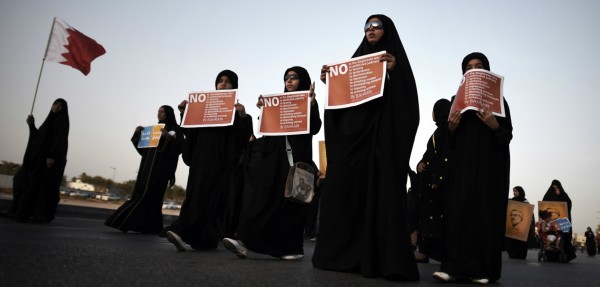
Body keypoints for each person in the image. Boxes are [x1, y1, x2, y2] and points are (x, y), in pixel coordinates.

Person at [312, 15, 420, 280]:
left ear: (387, 31)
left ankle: (381, 259)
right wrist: (333, 84)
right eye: (367, 27)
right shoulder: (356, 62)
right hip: (355, 146)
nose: (371, 30)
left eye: (377, 26)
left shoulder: (398, 64)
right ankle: (344, 256)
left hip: (381, 146)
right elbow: (346, 108)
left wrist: (395, 74)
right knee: (346, 192)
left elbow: (408, 110)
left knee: (382, 194)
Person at [222, 66, 321, 260]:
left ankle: (289, 248)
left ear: (304, 80)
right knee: (261, 199)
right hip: (272, 161)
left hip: (293, 161)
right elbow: (267, 131)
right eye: (286, 78)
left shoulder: (309, 103)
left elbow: (315, 128)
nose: (289, 81)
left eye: (294, 77)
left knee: (289, 204)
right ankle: (245, 241)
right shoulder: (278, 104)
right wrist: (264, 110)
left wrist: (311, 104)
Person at [432, 52, 512, 285]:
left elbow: (506, 137)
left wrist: (494, 125)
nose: (473, 69)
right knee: (457, 214)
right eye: (468, 67)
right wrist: (452, 128)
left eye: (478, 66)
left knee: (483, 217)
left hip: (488, 171)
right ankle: (452, 268)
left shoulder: (499, 102)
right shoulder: (457, 101)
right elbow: (448, 142)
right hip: (461, 170)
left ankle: (482, 270)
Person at [164, 70, 252, 250]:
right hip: (200, 160)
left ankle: (190, 234)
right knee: (194, 196)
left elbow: (243, 137)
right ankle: (194, 236)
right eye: (220, 81)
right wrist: (184, 114)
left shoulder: (236, 112)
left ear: (233, 85)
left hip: (220, 162)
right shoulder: (202, 109)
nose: (223, 84)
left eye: (227, 81)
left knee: (212, 199)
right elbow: (190, 132)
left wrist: (242, 116)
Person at [104, 105, 183, 234]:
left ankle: (122, 222)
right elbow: (144, 151)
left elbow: (178, 149)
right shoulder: (153, 130)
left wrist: (167, 137)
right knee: (150, 199)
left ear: (169, 114)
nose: (159, 114)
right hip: (146, 169)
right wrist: (137, 134)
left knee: (148, 196)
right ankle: (152, 227)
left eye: (162, 112)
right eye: (158, 112)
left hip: (160, 170)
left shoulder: (176, 130)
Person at [8, 98, 69, 223]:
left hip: (47, 163)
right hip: (36, 161)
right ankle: (19, 210)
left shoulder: (62, 123)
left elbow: (60, 140)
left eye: (60, 105)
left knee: (40, 188)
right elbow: (37, 138)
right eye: (55, 104)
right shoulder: (48, 122)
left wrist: (51, 156)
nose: (57, 107)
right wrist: (31, 125)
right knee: (20, 179)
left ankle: (35, 214)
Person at [414, 98, 451, 263]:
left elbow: (446, 157)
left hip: (439, 185)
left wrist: (439, 179)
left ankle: (438, 253)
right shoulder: (437, 132)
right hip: (428, 183)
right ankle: (424, 251)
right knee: (427, 217)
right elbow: (427, 156)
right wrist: (420, 165)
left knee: (437, 218)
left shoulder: (448, 131)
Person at [542, 179, 576, 261]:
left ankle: (562, 254)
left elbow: (568, 204)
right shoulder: (548, 195)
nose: (555, 189)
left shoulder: (564, 195)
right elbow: (543, 206)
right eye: (553, 187)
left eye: (557, 187)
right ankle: (549, 255)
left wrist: (560, 195)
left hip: (561, 222)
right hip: (549, 223)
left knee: (562, 238)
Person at [505, 186, 535, 259]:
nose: (514, 193)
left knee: (521, 241)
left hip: (522, 227)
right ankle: (512, 253)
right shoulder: (512, 201)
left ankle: (521, 255)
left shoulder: (525, 201)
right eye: (514, 191)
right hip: (512, 227)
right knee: (512, 240)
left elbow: (529, 213)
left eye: (516, 191)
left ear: (520, 192)